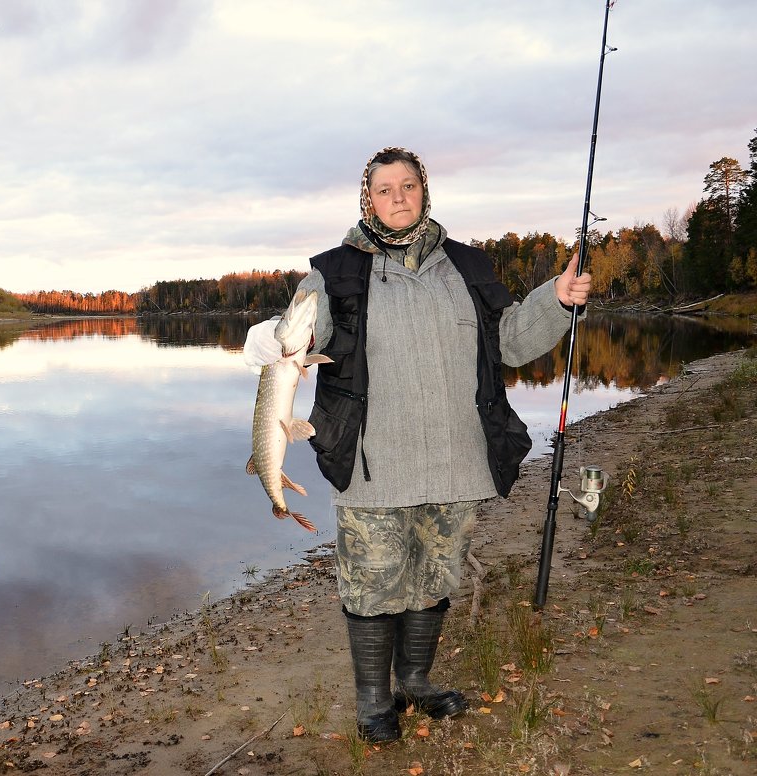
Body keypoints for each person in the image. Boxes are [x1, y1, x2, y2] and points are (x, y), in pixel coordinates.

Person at [243, 147, 592, 742]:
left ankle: (416, 682)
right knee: (371, 584)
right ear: (366, 198)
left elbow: (506, 343)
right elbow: (301, 331)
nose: (398, 196)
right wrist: (270, 344)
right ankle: (375, 702)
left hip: (456, 462)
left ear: (424, 192)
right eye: (384, 188)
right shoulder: (333, 272)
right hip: (373, 466)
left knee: (435, 576)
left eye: (408, 185)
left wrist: (555, 300)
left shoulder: (467, 267)